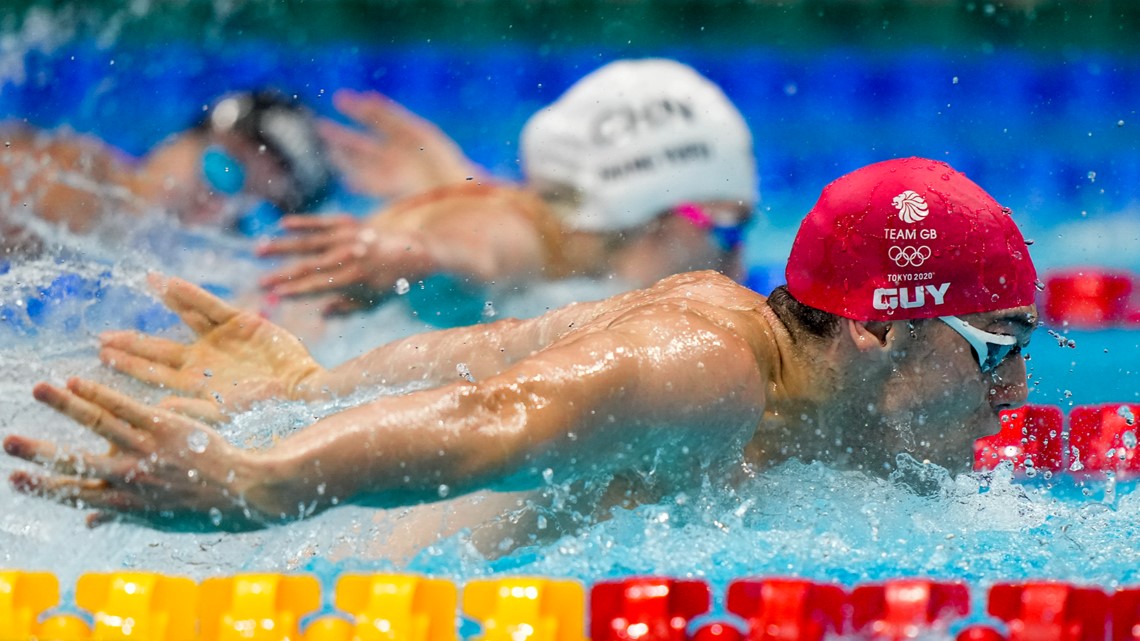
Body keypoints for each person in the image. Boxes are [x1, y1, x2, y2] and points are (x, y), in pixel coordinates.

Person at [3, 157, 1038, 532]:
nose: (1016, 392)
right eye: (995, 348)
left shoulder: (762, 347)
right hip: (331, 578)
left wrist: (309, 389)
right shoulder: (707, 367)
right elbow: (498, 410)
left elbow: (501, 351)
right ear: (876, 329)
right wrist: (265, 477)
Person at [254, 58, 758, 319]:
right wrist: (417, 253)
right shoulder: (516, 237)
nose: (738, 261)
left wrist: (454, 179)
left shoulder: (576, 256)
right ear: (652, 214)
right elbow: (481, 246)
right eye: (731, 228)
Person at [0, 90, 335, 254]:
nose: (217, 209)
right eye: (225, 171)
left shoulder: (119, 241)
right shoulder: (74, 180)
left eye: (243, 216)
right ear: (182, 142)